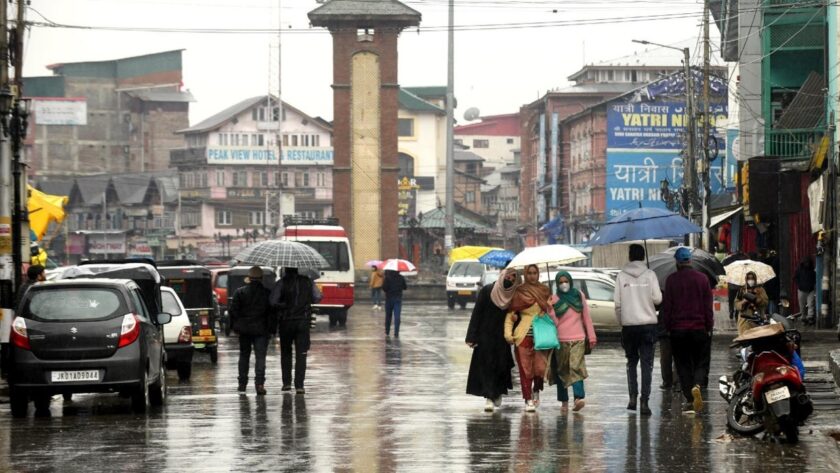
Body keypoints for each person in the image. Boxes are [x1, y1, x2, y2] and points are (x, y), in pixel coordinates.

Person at [662, 247, 714, 414]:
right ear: (690, 261)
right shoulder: (703, 279)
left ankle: (690, 399)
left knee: (682, 364)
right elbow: (708, 306)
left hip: (678, 330)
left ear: (677, 262)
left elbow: (667, 307)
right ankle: (698, 385)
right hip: (699, 328)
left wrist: (668, 327)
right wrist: (709, 325)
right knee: (700, 361)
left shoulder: (671, 280)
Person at [614, 244, 662, 416]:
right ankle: (644, 402)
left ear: (629, 256)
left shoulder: (621, 276)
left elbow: (618, 305)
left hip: (629, 327)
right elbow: (657, 299)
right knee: (647, 365)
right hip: (648, 326)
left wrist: (623, 322)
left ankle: (632, 398)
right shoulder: (650, 275)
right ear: (643, 257)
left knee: (631, 363)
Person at [465, 267, 520, 412]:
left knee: (501, 366)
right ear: (502, 276)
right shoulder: (488, 290)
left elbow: (517, 315)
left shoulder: (513, 295)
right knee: (487, 367)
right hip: (485, 336)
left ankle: (497, 393)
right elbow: (477, 313)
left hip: (502, 338)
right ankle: (489, 397)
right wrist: (471, 336)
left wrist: (516, 319)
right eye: (509, 277)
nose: (511, 280)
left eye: (514, 278)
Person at [504, 264, 553, 412]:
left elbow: (553, 312)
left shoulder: (545, 291)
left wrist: (549, 307)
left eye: (535, 273)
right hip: (523, 336)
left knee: (540, 368)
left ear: (538, 274)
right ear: (525, 274)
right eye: (529, 273)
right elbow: (511, 315)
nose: (532, 276)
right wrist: (508, 333)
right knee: (525, 370)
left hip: (542, 335)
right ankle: (528, 399)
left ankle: (536, 389)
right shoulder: (519, 292)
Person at [271, 266, 322, 394]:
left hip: (286, 322)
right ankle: (300, 385)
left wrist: (283, 305)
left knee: (286, 353)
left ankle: (286, 383)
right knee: (301, 354)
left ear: (286, 270)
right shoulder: (308, 281)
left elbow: (272, 301)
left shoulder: (281, 283)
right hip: (303, 322)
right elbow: (318, 297)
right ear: (297, 270)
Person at [551, 271, 597, 413]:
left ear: (570, 281)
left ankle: (578, 398)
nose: (564, 284)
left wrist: (592, 335)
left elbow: (586, 317)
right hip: (561, 340)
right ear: (557, 284)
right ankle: (564, 401)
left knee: (576, 367)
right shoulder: (554, 299)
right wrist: (550, 309)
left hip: (578, 339)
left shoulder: (578, 295)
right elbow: (554, 323)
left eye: (566, 281)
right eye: (561, 282)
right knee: (562, 371)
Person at [229, 266, 272, 395]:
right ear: (261, 279)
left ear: (249, 278)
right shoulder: (267, 293)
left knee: (244, 356)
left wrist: (236, 327)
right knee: (260, 357)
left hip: (245, 330)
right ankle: (259, 384)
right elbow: (271, 313)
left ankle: (242, 384)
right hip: (261, 330)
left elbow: (233, 311)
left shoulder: (240, 292)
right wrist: (271, 329)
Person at [734, 271, 769, 336]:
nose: (750, 280)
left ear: (755, 279)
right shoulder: (742, 290)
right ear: (746, 279)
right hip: (744, 320)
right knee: (744, 339)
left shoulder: (760, 289)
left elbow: (765, 302)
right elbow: (736, 304)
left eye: (752, 278)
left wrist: (757, 299)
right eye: (749, 278)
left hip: (757, 319)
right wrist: (743, 302)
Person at [382, 269, 407, 337]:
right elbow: (405, 287)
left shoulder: (387, 277)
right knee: (397, 316)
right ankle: (396, 332)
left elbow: (384, 288)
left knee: (388, 316)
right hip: (397, 299)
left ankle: (387, 331)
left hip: (389, 299)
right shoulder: (401, 277)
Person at [794, 257, 817, 325]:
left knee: (811, 304)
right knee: (802, 305)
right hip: (801, 290)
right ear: (803, 263)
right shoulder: (799, 270)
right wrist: (799, 285)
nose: (807, 264)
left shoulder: (812, 270)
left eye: (808, 263)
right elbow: (795, 278)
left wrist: (813, 285)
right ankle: (803, 318)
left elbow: (815, 279)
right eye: (806, 263)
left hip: (810, 290)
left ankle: (810, 317)